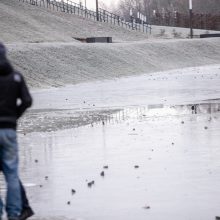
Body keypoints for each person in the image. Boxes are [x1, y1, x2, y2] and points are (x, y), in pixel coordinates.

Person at [0, 42, 33, 220]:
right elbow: (27, 101)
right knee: (11, 174)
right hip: (9, 131)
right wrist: (14, 117)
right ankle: (14, 214)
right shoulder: (15, 77)